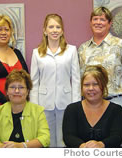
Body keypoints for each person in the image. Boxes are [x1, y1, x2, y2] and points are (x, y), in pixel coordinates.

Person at [30, 14, 81, 147]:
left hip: (65, 102)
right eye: (51, 27)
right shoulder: (37, 53)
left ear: (62, 30)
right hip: (44, 103)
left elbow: (76, 79)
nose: (54, 30)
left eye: (58, 27)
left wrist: (76, 105)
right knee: (47, 139)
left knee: (64, 139)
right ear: (44, 30)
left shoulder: (71, 50)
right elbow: (34, 82)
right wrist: (35, 106)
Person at [78, 7, 122, 113]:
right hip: (89, 104)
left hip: (114, 101)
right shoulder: (82, 49)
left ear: (109, 23)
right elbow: (79, 78)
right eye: (95, 19)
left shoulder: (121, 45)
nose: (98, 22)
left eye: (102, 19)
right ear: (90, 22)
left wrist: (121, 98)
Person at [0, 69, 50, 148]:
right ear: (7, 91)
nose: (16, 91)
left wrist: (22, 146)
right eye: (12, 87)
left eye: (21, 87)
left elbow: (45, 138)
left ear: (27, 91)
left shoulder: (38, 111)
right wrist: (1, 147)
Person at [62, 65, 122, 148]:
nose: (91, 88)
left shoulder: (117, 110)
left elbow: (117, 137)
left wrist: (100, 145)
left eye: (95, 84)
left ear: (103, 86)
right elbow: (68, 137)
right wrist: (83, 147)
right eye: (86, 85)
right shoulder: (71, 109)